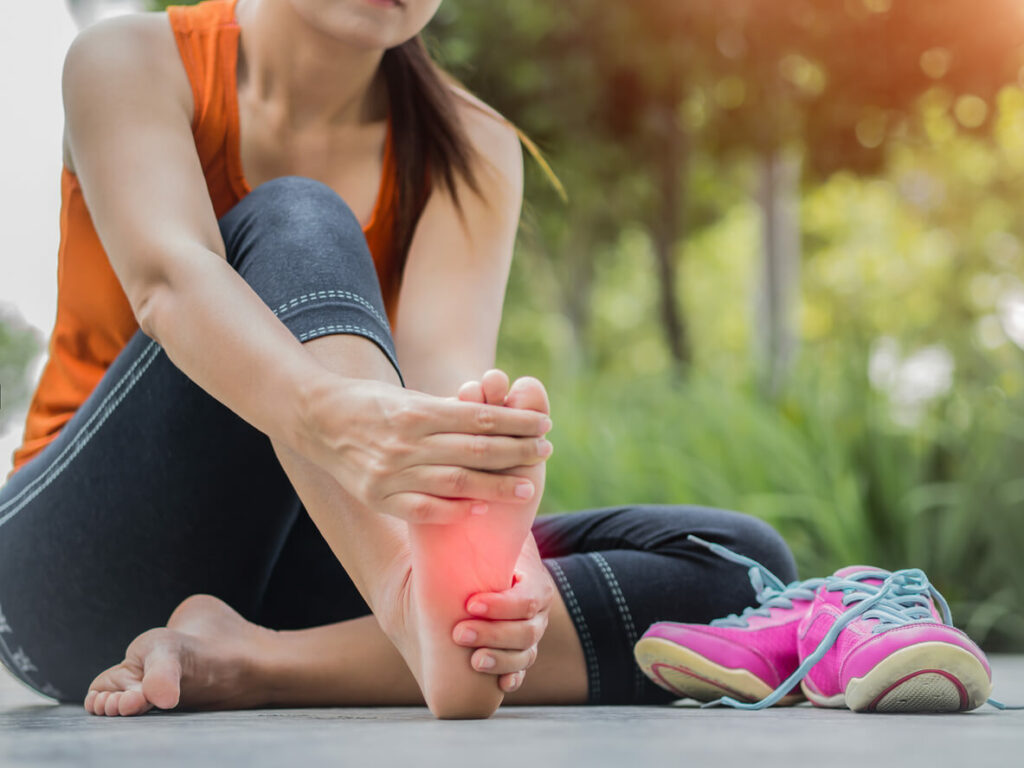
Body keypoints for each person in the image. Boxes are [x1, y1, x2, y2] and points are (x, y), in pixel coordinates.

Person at [0, 0, 796, 719]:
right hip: (78, 573)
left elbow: (449, 400)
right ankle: (410, 612)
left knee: (739, 570)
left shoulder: (472, 145)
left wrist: (492, 575)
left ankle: (253, 662)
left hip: (314, 572)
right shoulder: (129, 60)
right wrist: (330, 419)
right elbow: (169, 282)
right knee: (300, 216)